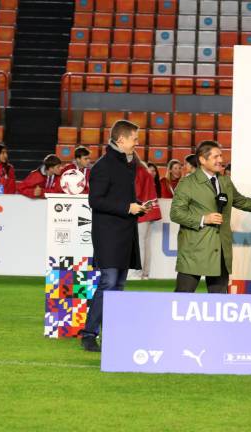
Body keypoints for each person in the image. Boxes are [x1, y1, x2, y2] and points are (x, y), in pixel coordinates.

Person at [79, 120, 149, 352]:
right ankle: (89, 334)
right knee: (109, 282)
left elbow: (117, 197)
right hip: (108, 234)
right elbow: (95, 200)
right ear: (121, 140)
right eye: (134, 138)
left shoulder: (128, 164)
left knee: (118, 284)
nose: (137, 143)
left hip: (124, 232)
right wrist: (127, 207)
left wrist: (136, 206)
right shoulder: (103, 166)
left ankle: (109, 334)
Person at [171, 141, 251, 293]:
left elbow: (243, 202)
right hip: (194, 251)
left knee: (219, 301)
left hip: (221, 249)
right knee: (182, 298)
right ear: (202, 159)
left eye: (221, 156)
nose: (221, 160)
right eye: (216, 156)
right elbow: (176, 213)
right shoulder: (187, 183)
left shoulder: (225, 181)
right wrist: (203, 219)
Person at [134, 158, 162, 280]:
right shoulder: (145, 171)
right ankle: (145, 273)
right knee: (146, 243)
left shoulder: (137, 172)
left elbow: (136, 192)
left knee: (139, 243)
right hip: (150, 209)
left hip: (141, 210)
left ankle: (137, 273)